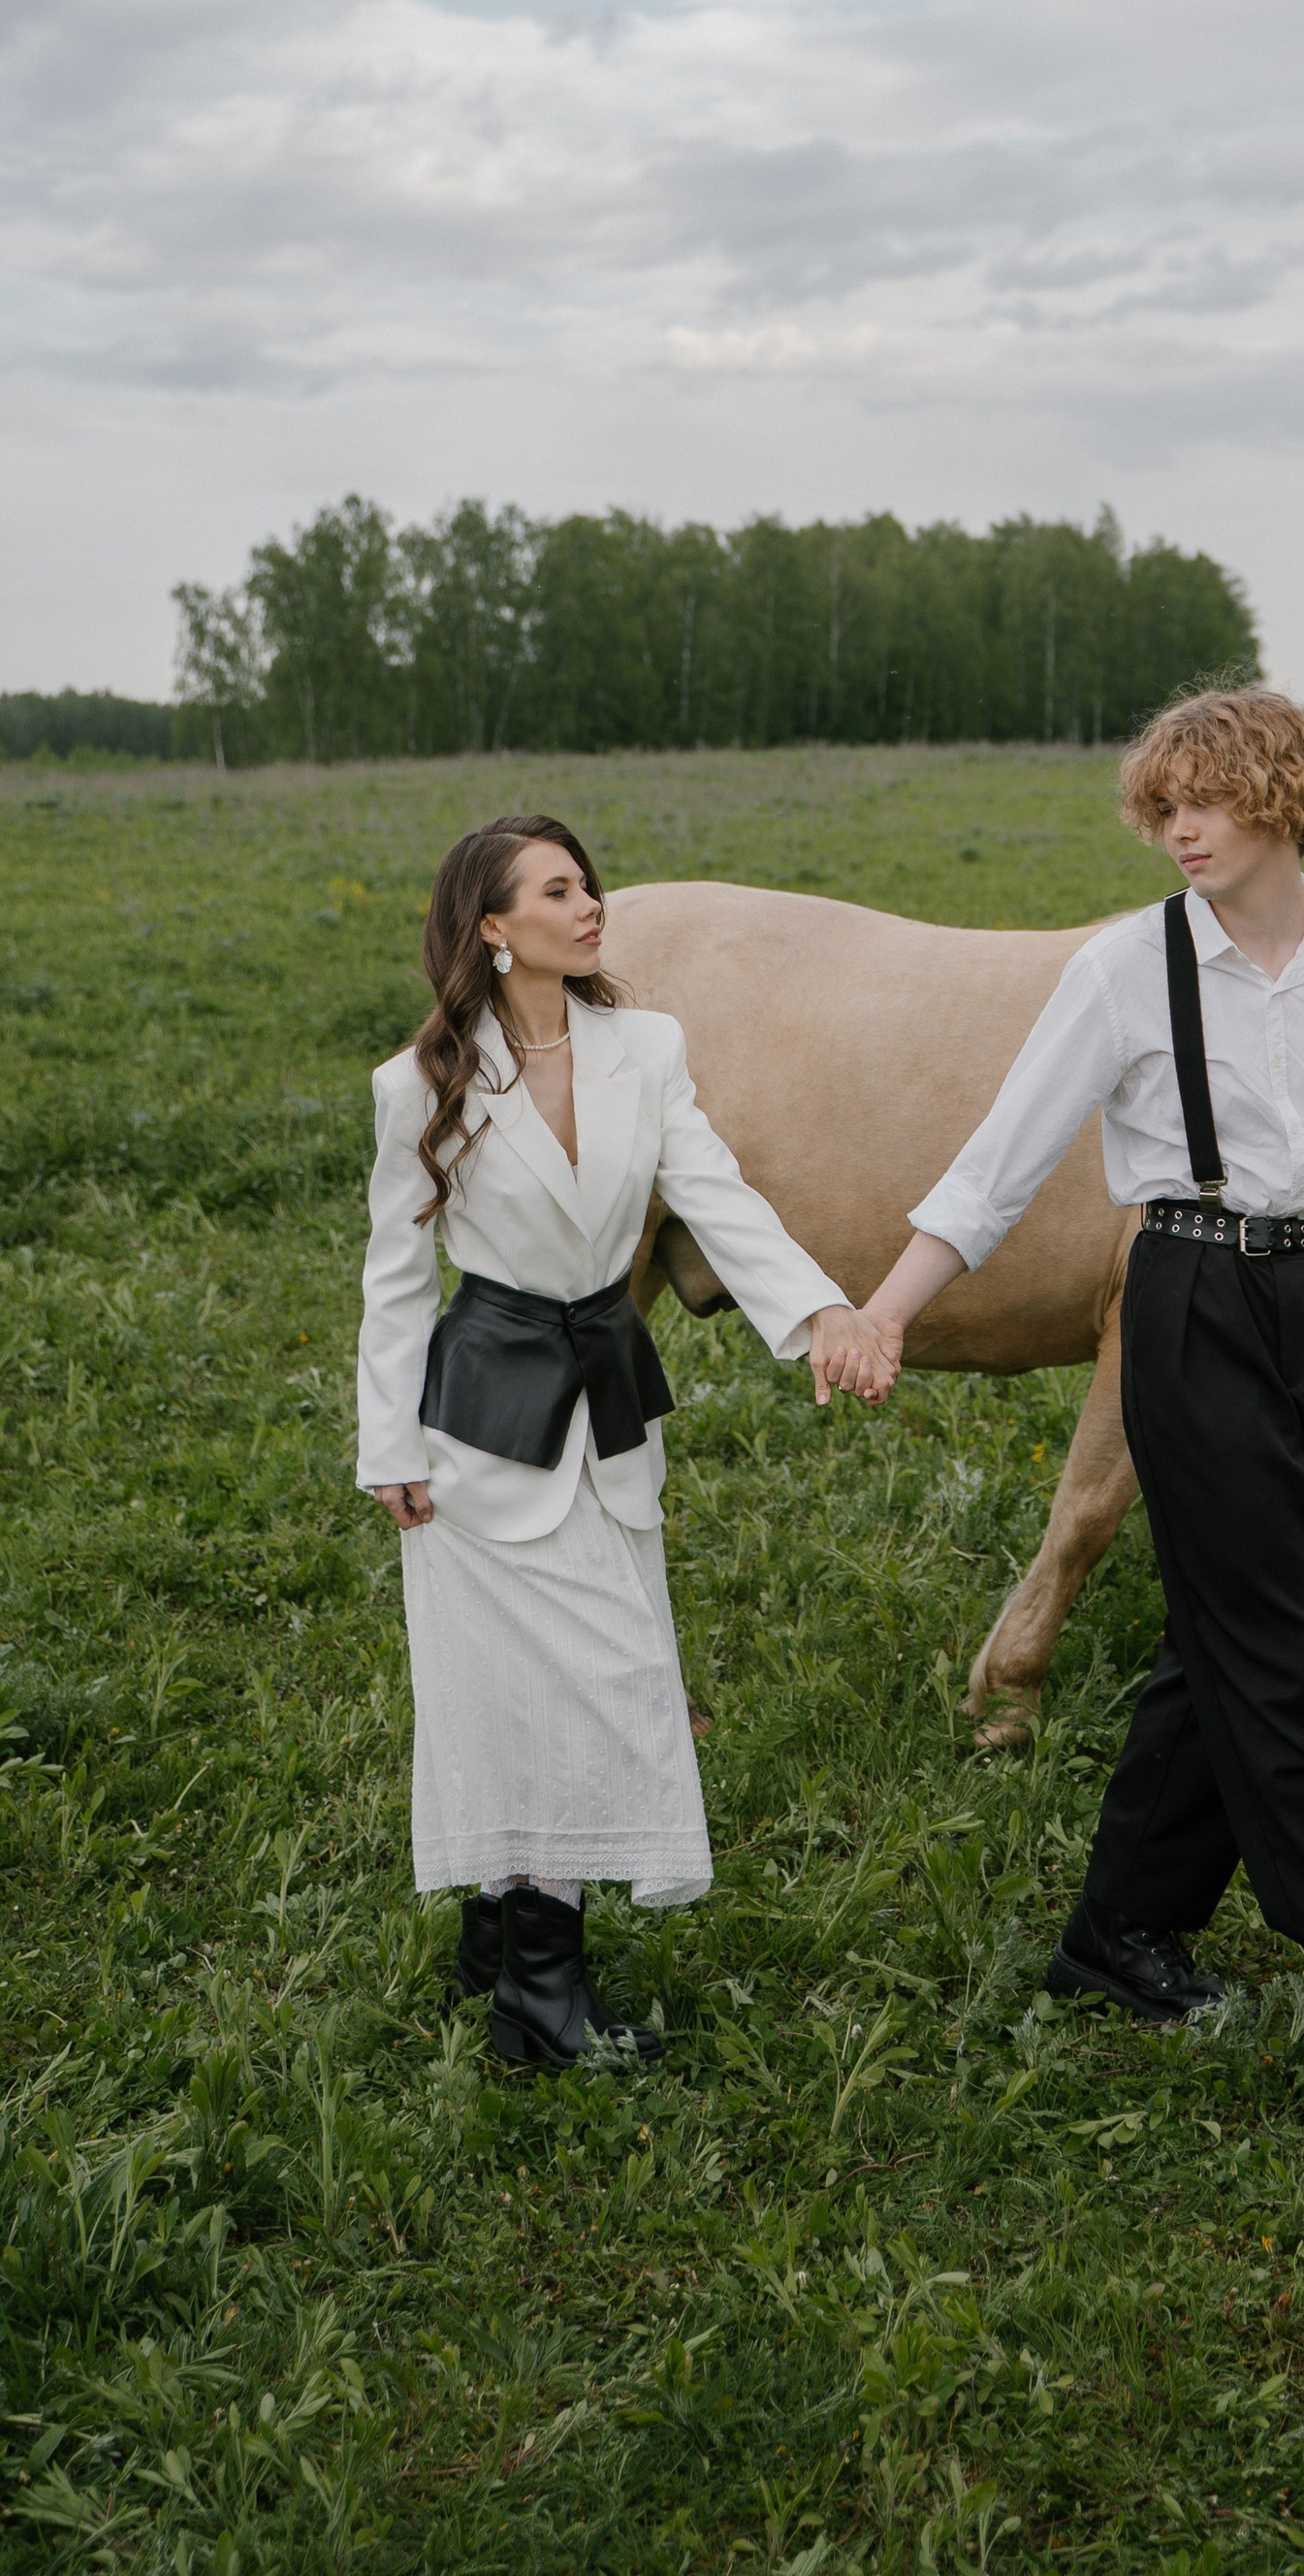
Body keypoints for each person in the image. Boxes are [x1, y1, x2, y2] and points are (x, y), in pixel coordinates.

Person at [855, 689, 1304, 2126]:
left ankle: (1117, 1938)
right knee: (1279, 1656)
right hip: (1187, 1300)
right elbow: (1000, 1162)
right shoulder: (1126, 967)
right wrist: (889, 1306)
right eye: (1162, 807)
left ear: (1281, 800)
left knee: (1231, 1635)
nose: (1177, 829)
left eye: (1202, 801)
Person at [358, 812, 886, 2070]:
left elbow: (715, 1191)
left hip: (607, 1408)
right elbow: (395, 1275)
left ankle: (498, 1943)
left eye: (586, 881)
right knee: (540, 1695)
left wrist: (818, 1310)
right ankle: (537, 1999)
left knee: (588, 1679)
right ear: (494, 927)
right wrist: (390, 1445)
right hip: (479, 1432)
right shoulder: (418, 1082)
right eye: (557, 888)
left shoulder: (646, 1046)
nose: (590, 902)